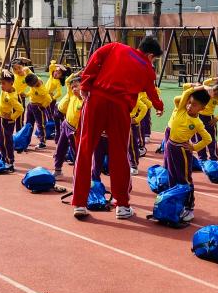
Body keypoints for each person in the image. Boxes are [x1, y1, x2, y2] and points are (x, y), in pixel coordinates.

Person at [70, 37, 165, 219]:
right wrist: (159, 106)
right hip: (120, 107)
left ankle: (80, 203)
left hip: (97, 100)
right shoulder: (147, 68)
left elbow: (95, 58)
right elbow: (151, 91)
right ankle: (122, 205)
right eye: (154, 59)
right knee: (120, 154)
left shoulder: (115, 47)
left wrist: (85, 84)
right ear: (150, 55)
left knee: (85, 148)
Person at [161, 85, 213, 220]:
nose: (189, 106)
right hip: (170, 146)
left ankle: (189, 208)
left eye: (194, 105)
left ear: (202, 108)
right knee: (172, 176)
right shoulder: (181, 109)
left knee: (184, 178)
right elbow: (186, 94)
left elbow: (208, 138)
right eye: (189, 102)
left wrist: (194, 147)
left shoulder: (197, 122)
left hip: (182, 150)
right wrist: (200, 87)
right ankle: (175, 202)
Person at [53, 75, 83, 178]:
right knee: (60, 148)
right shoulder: (71, 94)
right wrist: (77, 74)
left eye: (76, 86)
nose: (74, 89)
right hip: (66, 125)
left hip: (75, 131)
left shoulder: (86, 101)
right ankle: (57, 170)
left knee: (77, 153)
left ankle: (80, 175)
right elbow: (67, 81)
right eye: (72, 87)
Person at [0, 69, 24, 172]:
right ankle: (4, 158)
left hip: (6, 121)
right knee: (1, 141)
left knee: (6, 141)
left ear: (11, 83)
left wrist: (12, 117)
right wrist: (4, 70)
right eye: (0, 83)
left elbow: (20, 109)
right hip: (1, 118)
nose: (1, 86)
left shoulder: (12, 96)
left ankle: (9, 162)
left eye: (3, 83)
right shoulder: (6, 90)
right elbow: (0, 72)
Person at [195, 78, 218, 161]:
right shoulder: (206, 90)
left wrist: (216, 119)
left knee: (211, 140)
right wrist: (215, 78)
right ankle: (202, 158)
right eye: (214, 90)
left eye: (217, 94)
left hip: (209, 120)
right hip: (198, 118)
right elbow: (205, 82)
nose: (214, 93)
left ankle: (214, 158)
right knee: (199, 138)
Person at [24, 73, 52, 150]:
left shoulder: (42, 90)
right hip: (30, 105)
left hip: (38, 107)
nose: (31, 87)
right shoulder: (35, 78)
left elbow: (49, 99)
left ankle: (42, 142)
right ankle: (26, 140)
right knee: (29, 124)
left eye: (32, 86)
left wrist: (42, 106)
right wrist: (26, 95)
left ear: (35, 84)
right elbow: (32, 91)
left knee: (40, 124)